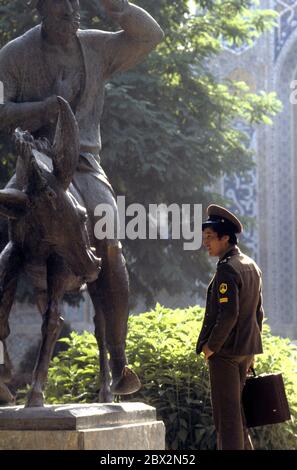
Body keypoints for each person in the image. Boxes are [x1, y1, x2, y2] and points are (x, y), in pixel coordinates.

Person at [0, 0, 164, 401]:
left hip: (85, 164)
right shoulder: (14, 54)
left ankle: (120, 358)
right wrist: (44, 108)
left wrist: (119, 7)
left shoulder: (95, 47)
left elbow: (151, 36)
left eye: (75, 12)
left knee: (109, 236)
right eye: (61, 13)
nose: (71, 20)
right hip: (32, 162)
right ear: (42, 12)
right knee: (10, 232)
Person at [196, 204, 264, 450]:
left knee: (227, 420)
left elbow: (229, 314)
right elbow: (259, 312)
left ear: (226, 238)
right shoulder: (251, 265)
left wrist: (211, 347)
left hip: (225, 353)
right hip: (245, 351)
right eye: (204, 237)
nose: (206, 243)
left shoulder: (227, 268)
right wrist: (253, 352)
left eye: (210, 237)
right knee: (238, 417)